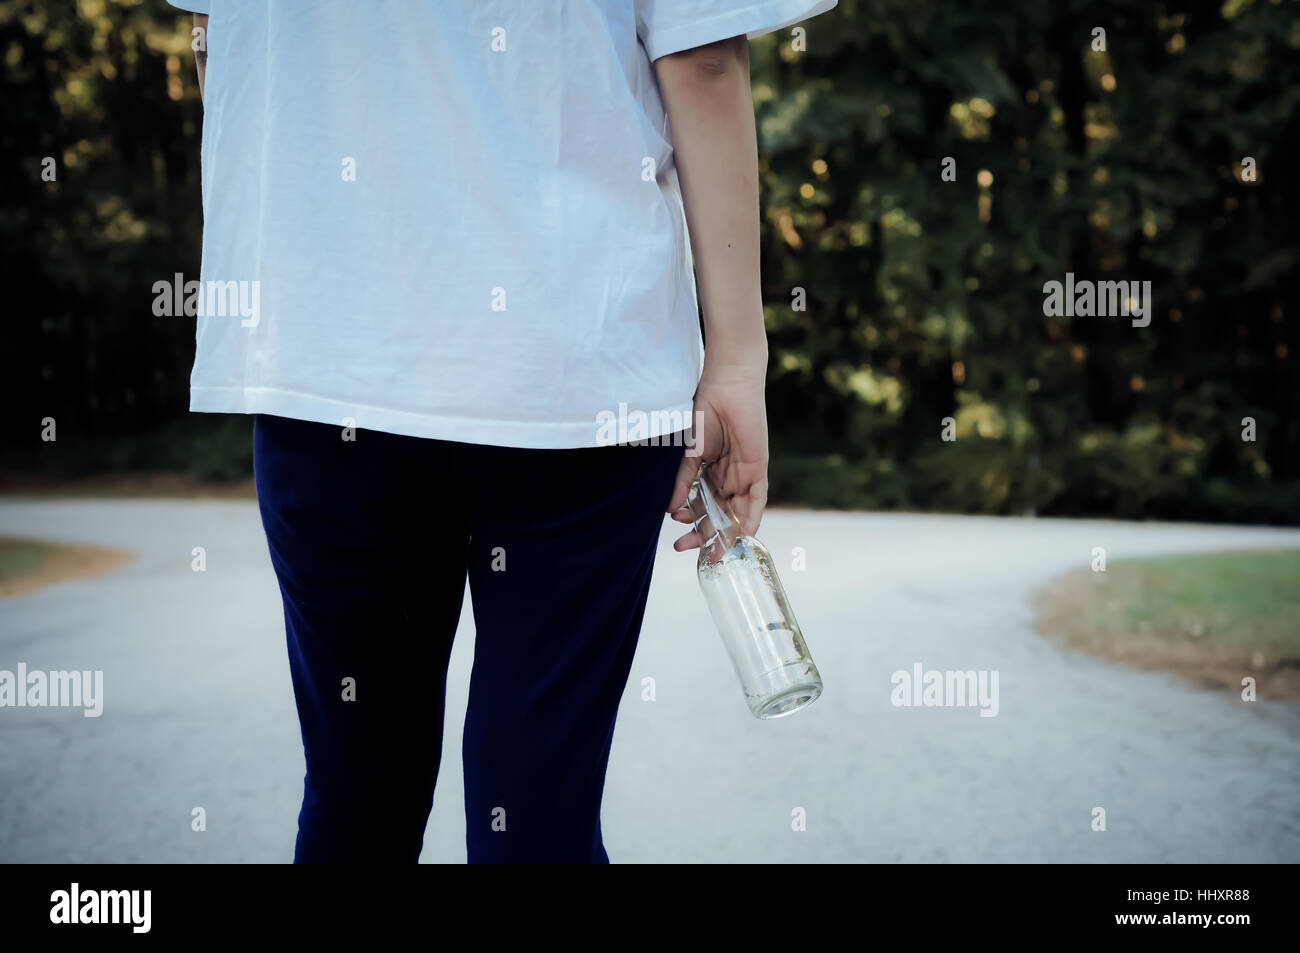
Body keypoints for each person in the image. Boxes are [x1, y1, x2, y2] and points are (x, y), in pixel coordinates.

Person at [170, 0, 836, 863]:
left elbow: (215, 41)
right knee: (538, 811)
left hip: (327, 359)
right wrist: (737, 361)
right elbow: (701, 61)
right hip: (575, 367)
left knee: (354, 796)